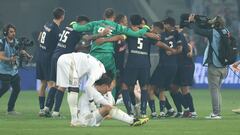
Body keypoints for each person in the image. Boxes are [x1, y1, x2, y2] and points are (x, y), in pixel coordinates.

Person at [56, 52, 148, 126]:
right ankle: (74, 121)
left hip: (67, 59)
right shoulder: (96, 78)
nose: (108, 91)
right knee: (74, 89)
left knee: (71, 88)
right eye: (108, 89)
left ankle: (133, 121)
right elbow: (88, 87)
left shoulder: (98, 76)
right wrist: (92, 104)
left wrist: (108, 99)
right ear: (105, 85)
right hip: (68, 61)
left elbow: (107, 99)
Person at [188, 14, 227, 119]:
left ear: (215, 23)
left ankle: (215, 113)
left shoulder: (213, 32)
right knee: (217, 90)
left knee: (214, 90)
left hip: (214, 65)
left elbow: (198, 31)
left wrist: (191, 22)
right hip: (224, 65)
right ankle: (217, 112)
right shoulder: (226, 31)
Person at [36, 7, 65, 116]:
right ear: (62, 16)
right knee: (52, 83)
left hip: (40, 56)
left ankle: (41, 108)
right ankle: (47, 109)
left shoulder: (46, 25)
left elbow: (39, 38)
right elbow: (60, 46)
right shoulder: (56, 30)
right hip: (48, 58)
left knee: (43, 83)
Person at [0, 24, 21, 114]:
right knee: (5, 87)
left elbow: (18, 54)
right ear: (6, 33)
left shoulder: (16, 42)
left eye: (14, 31)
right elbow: (1, 56)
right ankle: (10, 109)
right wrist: (10, 59)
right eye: (11, 32)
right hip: (3, 70)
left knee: (17, 88)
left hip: (13, 70)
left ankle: (10, 109)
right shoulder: (2, 42)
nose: (13, 33)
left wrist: (25, 55)